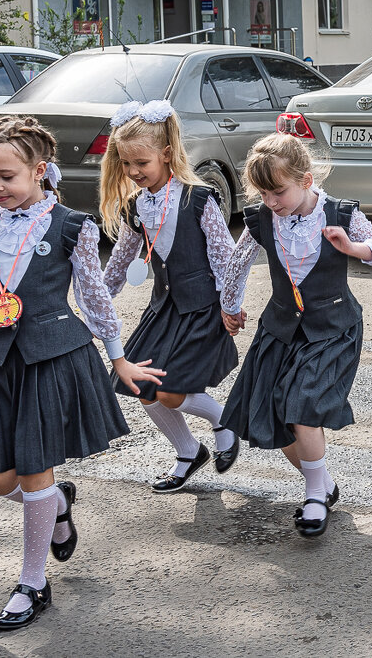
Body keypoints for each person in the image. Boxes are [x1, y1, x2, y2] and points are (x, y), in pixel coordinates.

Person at [0, 115, 164, 630]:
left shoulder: (73, 226)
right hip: (2, 366)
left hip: (54, 360)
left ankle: (32, 582)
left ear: (39, 171)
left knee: (33, 469)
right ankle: (57, 504)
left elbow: (93, 297)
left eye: (7, 177)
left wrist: (119, 357)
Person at [219, 133, 372, 537]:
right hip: (280, 330)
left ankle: (315, 495)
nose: (270, 202)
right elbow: (237, 263)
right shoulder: (262, 218)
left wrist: (355, 248)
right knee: (272, 419)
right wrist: (229, 307)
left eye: (277, 192)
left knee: (302, 407)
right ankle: (323, 484)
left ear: (304, 180)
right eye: (263, 193)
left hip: (332, 330)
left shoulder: (339, 213)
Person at [99, 100, 241, 492]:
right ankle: (188, 452)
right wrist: (99, 306)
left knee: (172, 393)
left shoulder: (199, 198)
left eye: (141, 163)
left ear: (165, 154)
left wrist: (231, 305)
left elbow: (225, 256)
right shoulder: (136, 205)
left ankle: (222, 418)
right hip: (163, 309)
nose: (132, 172)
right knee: (139, 384)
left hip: (202, 308)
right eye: (126, 164)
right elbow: (120, 262)